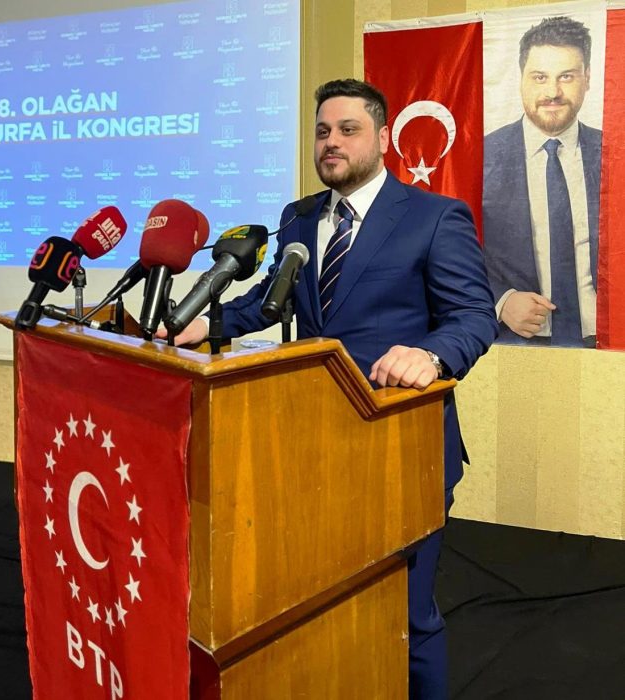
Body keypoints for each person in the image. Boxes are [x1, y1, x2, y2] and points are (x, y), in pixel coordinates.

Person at [171, 79, 497, 698]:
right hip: (312, 444)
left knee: (407, 614)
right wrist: (207, 325)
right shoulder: (298, 217)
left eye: (348, 129)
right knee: (321, 606)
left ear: (383, 138)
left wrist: (430, 354)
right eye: (323, 131)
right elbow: (272, 300)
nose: (331, 142)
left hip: (399, 445)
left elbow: (474, 317)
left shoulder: (434, 216)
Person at [483, 15, 602, 347]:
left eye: (567, 76)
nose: (553, 92)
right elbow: (451, 252)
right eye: (540, 77)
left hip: (609, 342)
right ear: (521, 79)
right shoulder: (480, 157)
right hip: (514, 343)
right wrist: (501, 299)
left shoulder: (615, 154)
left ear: (587, 79)